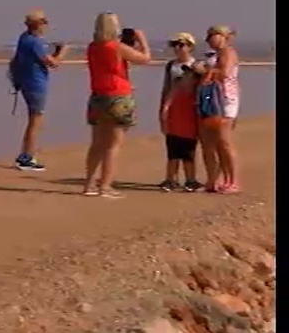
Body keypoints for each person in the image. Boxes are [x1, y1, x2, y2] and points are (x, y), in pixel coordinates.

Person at [82, 13, 151, 198]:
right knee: (113, 145)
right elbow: (145, 58)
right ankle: (105, 185)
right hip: (118, 95)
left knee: (97, 143)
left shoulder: (93, 47)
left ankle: (89, 184)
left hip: (98, 95)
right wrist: (142, 39)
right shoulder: (116, 47)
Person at [8, 10, 66, 171]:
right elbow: (53, 63)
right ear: (39, 24)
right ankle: (26, 157)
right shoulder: (35, 42)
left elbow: (42, 60)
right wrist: (62, 52)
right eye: (44, 22)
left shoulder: (24, 38)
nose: (46, 26)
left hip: (28, 82)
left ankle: (26, 155)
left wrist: (55, 53)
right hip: (35, 83)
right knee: (36, 121)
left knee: (34, 119)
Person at [197, 25, 241, 194]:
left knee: (224, 142)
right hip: (213, 99)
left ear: (222, 36)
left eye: (212, 36)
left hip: (225, 100)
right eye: (208, 37)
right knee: (212, 142)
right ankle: (215, 181)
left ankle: (233, 181)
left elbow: (225, 72)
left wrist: (204, 70)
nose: (209, 40)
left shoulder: (228, 52)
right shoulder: (216, 54)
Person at [158, 32, 202, 192]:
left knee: (189, 145)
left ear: (190, 46)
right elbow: (166, 88)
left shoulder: (197, 65)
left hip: (190, 109)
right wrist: (162, 110)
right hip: (173, 108)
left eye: (181, 44)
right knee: (172, 144)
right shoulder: (171, 66)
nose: (177, 48)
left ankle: (191, 179)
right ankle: (170, 179)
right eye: (174, 44)